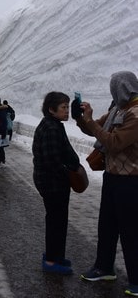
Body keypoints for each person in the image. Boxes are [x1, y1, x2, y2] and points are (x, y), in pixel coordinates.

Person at [75, 71, 138, 295]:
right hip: (112, 177)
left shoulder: (135, 113)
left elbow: (114, 142)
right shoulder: (117, 109)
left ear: (122, 88)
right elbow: (95, 127)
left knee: (131, 230)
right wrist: (82, 117)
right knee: (107, 226)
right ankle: (104, 267)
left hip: (131, 181)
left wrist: (92, 123)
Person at [32, 91, 80, 275]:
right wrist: (69, 173)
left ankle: (55, 255)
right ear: (52, 109)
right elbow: (52, 160)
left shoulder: (52, 124)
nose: (67, 111)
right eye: (64, 107)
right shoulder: (52, 128)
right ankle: (51, 261)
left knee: (57, 219)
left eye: (67, 107)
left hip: (51, 182)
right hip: (53, 184)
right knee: (56, 221)